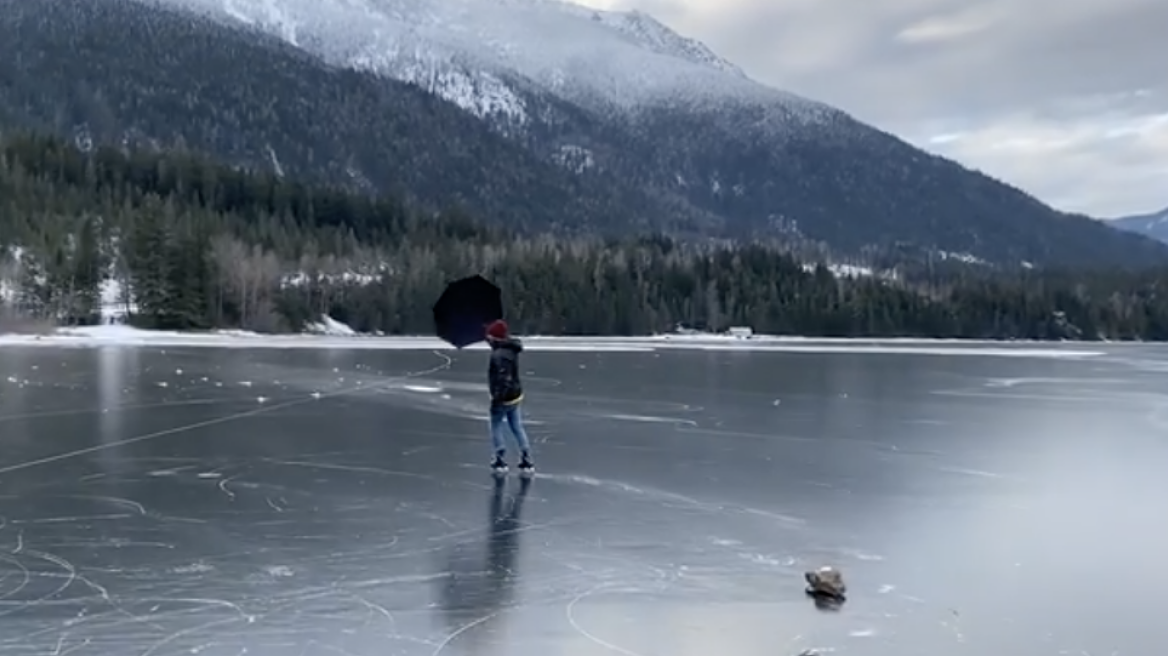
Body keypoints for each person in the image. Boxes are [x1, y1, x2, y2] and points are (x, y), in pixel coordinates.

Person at [485, 319, 534, 473]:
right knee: (516, 426)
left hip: (503, 397)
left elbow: (502, 378)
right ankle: (526, 456)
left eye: (490, 336)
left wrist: (497, 398)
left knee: (496, 425)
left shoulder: (499, 355)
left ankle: (500, 458)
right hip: (515, 394)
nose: (488, 339)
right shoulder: (511, 349)